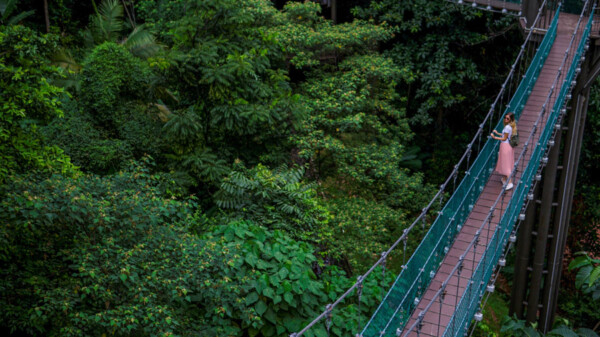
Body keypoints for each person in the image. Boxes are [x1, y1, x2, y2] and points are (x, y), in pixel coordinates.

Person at [490, 112, 516, 191]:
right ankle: (504, 179)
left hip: (505, 146)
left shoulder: (508, 127)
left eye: (507, 118)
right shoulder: (509, 127)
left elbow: (504, 138)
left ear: (510, 119)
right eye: (505, 117)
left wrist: (495, 137)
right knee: (506, 162)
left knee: (506, 164)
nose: (505, 119)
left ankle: (510, 183)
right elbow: (506, 135)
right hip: (507, 146)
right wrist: (498, 133)